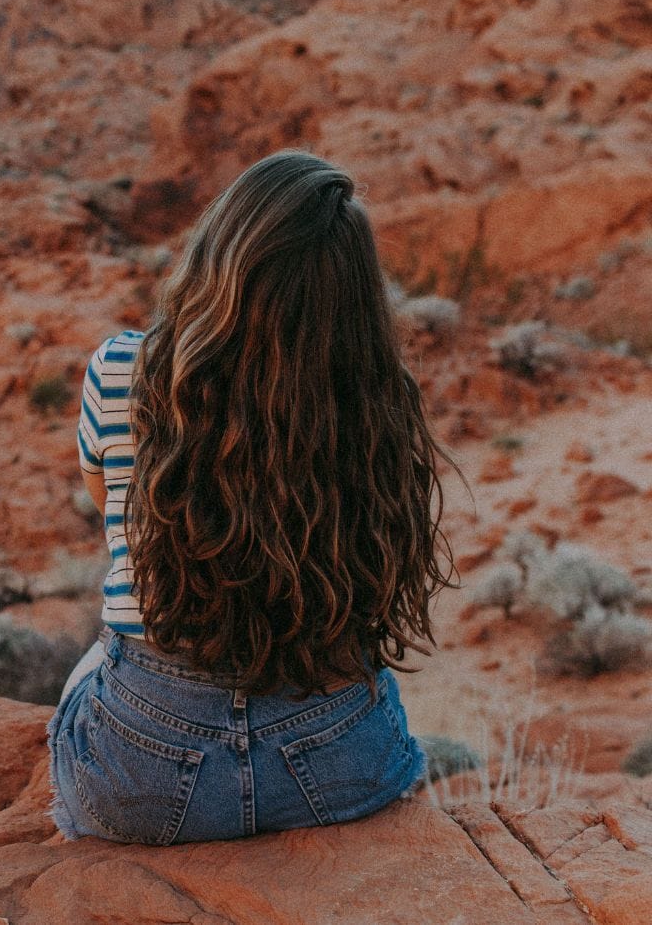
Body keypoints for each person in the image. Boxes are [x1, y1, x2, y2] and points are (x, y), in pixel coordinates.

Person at [46, 149, 461, 845]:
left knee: (92, 662)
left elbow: (113, 511)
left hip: (143, 768)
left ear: (218, 254)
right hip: (335, 761)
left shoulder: (122, 368)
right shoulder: (373, 398)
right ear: (354, 298)